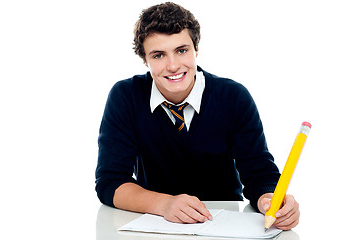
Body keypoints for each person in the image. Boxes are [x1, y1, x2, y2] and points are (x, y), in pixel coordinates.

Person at [95, 2, 299, 230]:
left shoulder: (233, 96)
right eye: (159, 55)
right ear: (145, 59)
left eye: (181, 51)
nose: (173, 66)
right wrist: (164, 204)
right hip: (155, 224)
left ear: (196, 49)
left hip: (225, 225)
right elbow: (110, 182)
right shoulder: (126, 97)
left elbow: (260, 174)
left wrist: (269, 200)